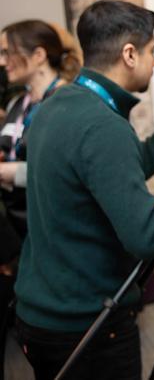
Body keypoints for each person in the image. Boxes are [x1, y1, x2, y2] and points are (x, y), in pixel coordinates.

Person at [13, 0, 154, 380]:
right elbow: (147, 234)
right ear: (130, 54)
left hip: (43, 314)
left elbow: (117, 175)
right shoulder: (103, 125)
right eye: (153, 51)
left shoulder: (59, 104)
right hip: (85, 324)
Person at [0, 20, 82, 376]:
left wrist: (9, 172)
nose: (1, 61)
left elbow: (60, 171)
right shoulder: (19, 103)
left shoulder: (66, 102)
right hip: (18, 224)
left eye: (7, 52)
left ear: (37, 55)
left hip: (48, 229)